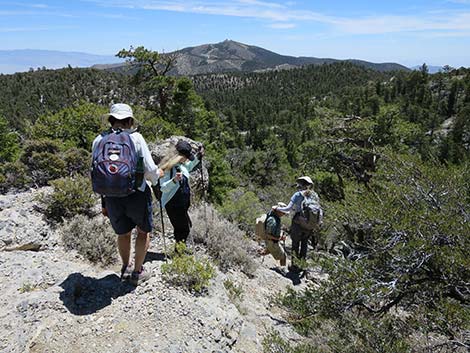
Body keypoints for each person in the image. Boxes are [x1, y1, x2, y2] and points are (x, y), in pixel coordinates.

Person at [92, 103, 163, 286]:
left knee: (123, 233)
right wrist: (157, 178)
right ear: (130, 120)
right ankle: (138, 272)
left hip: (111, 197)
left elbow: (96, 170)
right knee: (143, 232)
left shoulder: (99, 140)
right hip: (136, 193)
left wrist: (103, 202)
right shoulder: (137, 138)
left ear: (111, 120)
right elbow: (150, 169)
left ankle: (125, 268)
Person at [158, 140, 203, 248]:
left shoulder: (181, 165)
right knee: (183, 229)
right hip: (173, 204)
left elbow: (190, 165)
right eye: (186, 156)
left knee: (185, 226)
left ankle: (180, 251)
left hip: (181, 204)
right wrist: (174, 180)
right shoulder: (167, 168)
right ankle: (179, 254)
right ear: (178, 156)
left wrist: (199, 156)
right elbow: (163, 188)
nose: (187, 159)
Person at [276, 176, 319, 273]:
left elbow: (288, 209)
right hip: (309, 224)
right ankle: (302, 266)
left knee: (295, 244)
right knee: (304, 245)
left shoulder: (298, 194)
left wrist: (277, 209)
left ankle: (294, 266)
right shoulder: (315, 195)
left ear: (301, 184)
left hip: (298, 223)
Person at [264, 202, 289, 268]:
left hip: (272, 242)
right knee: (283, 256)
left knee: (267, 251)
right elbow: (267, 235)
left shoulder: (276, 218)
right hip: (272, 242)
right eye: (283, 212)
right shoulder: (272, 220)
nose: (284, 214)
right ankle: (282, 269)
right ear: (278, 211)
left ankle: (253, 254)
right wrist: (279, 238)